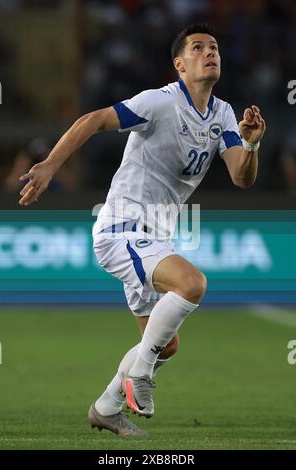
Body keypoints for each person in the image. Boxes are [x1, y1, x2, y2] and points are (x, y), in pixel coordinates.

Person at [18, 23, 266, 437]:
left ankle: (107, 407)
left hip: (156, 236)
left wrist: (252, 144)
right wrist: (50, 165)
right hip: (121, 229)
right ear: (179, 65)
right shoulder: (159, 103)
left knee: (165, 342)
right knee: (192, 283)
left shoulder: (222, 113)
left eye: (215, 47)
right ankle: (140, 378)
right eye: (198, 47)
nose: (210, 53)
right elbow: (94, 119)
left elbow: (242, 176)